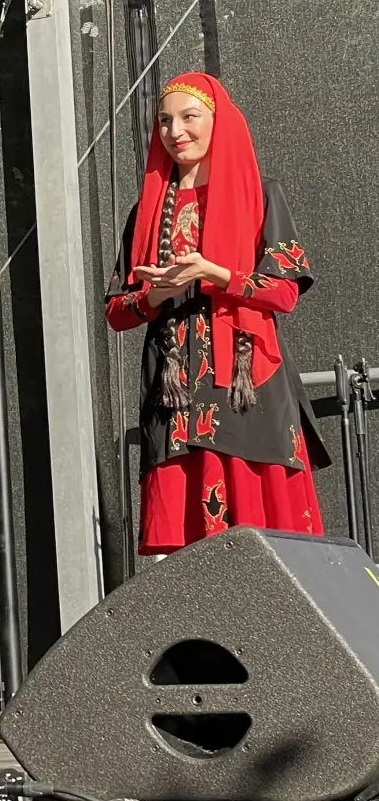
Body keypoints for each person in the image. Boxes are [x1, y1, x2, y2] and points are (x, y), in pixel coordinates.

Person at [105, 72, 327, 557]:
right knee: (187, 559)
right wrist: (155, 296)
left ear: (217, 121)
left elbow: (286, 291)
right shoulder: (145, 210)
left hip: (247, 389)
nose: (175, 131)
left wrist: (219, 274)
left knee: (264, 548)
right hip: (175, 396)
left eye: (189, 117)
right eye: (164, 121)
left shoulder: (260, 194)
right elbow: (117, 312)